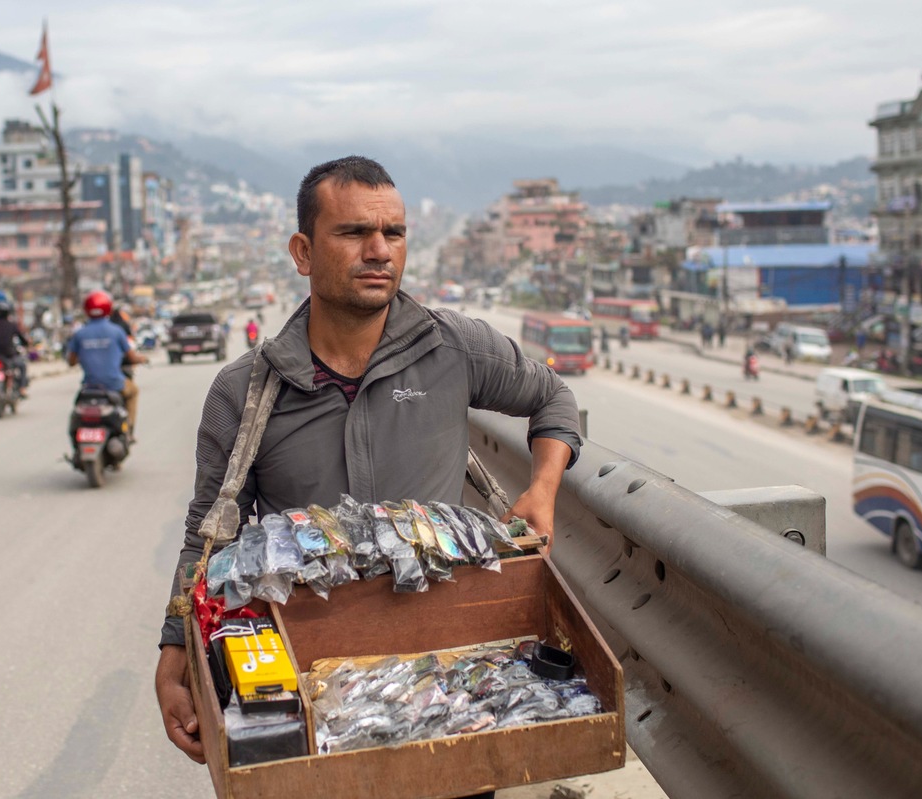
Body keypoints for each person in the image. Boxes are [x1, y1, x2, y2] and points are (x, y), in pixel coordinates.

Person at [154, 157, 582, 793]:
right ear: (303, 251)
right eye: (354, 233)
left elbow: (553, 399)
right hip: (310, 682)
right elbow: (207, 533)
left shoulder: (454, 349)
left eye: (394, 233)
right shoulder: (243, 392)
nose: (379, 250)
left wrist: (543, 490)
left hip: (447, 679)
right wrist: (174, 655)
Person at [66, 291, 147, 441]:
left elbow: (71, 361)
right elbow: (132, 357)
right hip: (114, 384)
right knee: (133, 391)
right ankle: (128, 430)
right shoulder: (116, 331)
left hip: (89, 387)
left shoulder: (80, 334)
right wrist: (142, 359)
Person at [0, 302, 31, 398]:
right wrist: (26, 344)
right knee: (22, 366)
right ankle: (22, 389)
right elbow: (23, 339)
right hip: (9, 356)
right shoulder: (12, 325)